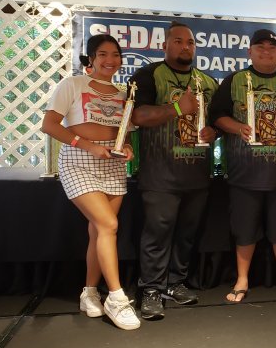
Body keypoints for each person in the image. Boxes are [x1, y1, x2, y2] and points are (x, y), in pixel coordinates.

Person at [41, 34, 140, 330]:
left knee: (99, 230)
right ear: (91, 59)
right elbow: (49, 125)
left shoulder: (123, 93)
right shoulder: (72, 85)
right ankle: (117, 298)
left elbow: (125, 132)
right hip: (78, 160)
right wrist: (88, 146)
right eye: (103, 54)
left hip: (112, 163)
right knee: (108, 224)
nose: (110, 60)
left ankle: (89, 293)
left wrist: (127, 147)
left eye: (115, 55)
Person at [210, 28, 276, 303]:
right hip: (244, 172)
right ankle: (242, 279)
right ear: (250, 52)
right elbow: (216, 116)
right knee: (244, 230)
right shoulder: (234, 81)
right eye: (260, 47)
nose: (266, 52)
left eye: (272, 48)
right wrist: (238, 127)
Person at [129, 21, 219, 320]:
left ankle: (175, 282)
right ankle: (151, 289)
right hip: (160, 175)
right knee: (157, 234)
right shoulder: (148, 75)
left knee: (186, 235)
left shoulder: (207, 81)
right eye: (178, 41)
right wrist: (177, 108)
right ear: (164, 45)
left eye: (190, 42)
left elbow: (217, 120)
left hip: (197, 174)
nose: (185, 47)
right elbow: (138, 116)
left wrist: (213, 132)